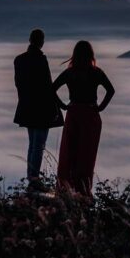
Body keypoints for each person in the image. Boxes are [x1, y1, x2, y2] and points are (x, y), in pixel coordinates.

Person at [53, 40, 115, 196]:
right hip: (90, 116)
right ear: (90, 55)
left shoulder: (69, 72)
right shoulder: (96, 72)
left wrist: (62, 105)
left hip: (73, 114)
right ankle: (83, 191)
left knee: (69, 153)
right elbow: (111, 90)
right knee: (86, 155)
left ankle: (65, 189)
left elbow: (51, 89)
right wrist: (100, 107)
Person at [13, 29, 63, 191]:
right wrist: (58, 106)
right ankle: (34, 178)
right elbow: (47, 86)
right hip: (41, 108)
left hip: (26, 106)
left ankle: (31, 176)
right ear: (41, 41)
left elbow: (19, 85)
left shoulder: (19, 60)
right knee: (39, 145)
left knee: (32, 144)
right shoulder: (40, 60)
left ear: (30, 40)